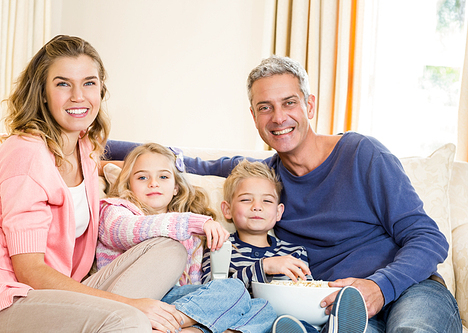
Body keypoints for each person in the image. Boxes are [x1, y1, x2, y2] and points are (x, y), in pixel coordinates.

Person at [104, 55, 462, 332]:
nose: (278, 118)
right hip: (332, 309)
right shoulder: (264, 180)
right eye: (265, 107)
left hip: (407, 288)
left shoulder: (362, 154)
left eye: (289, 103)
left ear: (310, 105)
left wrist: (378, 287)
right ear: (254, 116)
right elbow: (182, 159)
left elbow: (428, 238)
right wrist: (88, 140)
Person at [0, 35, 189, 333]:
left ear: (101, 89)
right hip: (4, 299)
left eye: (89, 83)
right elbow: (29, 271)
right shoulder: (25, 154)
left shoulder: (83, 146)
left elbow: (112, 165)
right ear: (42, 93)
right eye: (62, 84)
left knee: (169, 250)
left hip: (58, 290)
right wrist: (130, 304)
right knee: (128, 319)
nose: (78, 96)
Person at [98, 143, 279, 333]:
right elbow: (128, 231)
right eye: (142, 177)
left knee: (255, 302)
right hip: (132, 299)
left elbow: (193, 283)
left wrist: (211, 305)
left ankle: (189, 330)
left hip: (173, 303)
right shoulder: (115, 210)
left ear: (176, 187)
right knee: (232, 293)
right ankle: (178, 326)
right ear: (128, 184)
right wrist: (193, 223)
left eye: (163, 176)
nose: (153, 183)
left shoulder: (188, 231)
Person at [200, 159, 368, 333]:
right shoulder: (219, 246)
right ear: (227, 210)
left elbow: (305, 291)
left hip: (292, 320)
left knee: (302, 324)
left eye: (266, 201)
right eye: (246, 199)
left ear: (279, 211)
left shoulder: (294, 253)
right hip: (244, 322)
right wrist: (264, 267)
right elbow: (208, 294)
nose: (257, 207)